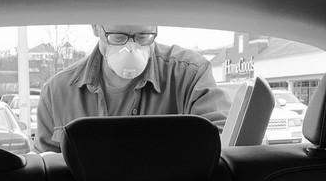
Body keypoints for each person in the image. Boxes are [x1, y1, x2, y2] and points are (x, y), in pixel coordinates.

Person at [32, 24, 230, 153]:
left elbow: (226, 146)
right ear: (95, 28)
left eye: (143, 36)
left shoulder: (189, 75)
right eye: (117, 37)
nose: (131, 47)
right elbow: (46, 177)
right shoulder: (57, 93)